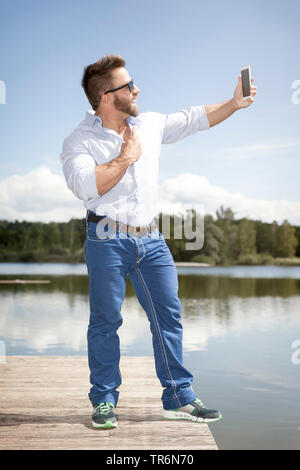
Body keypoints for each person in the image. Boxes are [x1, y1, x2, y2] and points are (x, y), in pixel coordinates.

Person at [60, 54, 256, 429]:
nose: (137, 90)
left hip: (152, 240)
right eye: (128, 86)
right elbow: (87, 186)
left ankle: (179, 397)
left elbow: (196, 118)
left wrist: (233, 103)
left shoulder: (148, 124)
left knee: (168, 317)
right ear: (105, 96)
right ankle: (104, 400)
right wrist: (126, 157)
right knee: (105, 321)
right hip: (106, 239)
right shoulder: (78, 142)